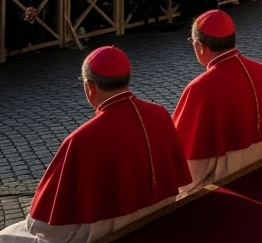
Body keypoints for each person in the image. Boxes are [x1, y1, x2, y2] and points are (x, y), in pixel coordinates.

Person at [0, 46, 190, 242]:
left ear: (90, 87)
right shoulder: (159, 113)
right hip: (159, 219)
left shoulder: (81, 139)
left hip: (104, 234)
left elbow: (42, 228)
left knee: (5, 237)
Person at [172, 10, 262, 193]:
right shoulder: (260, 70)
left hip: (226, 185)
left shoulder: (200, 88)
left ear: (200, 46)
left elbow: (190, 165)